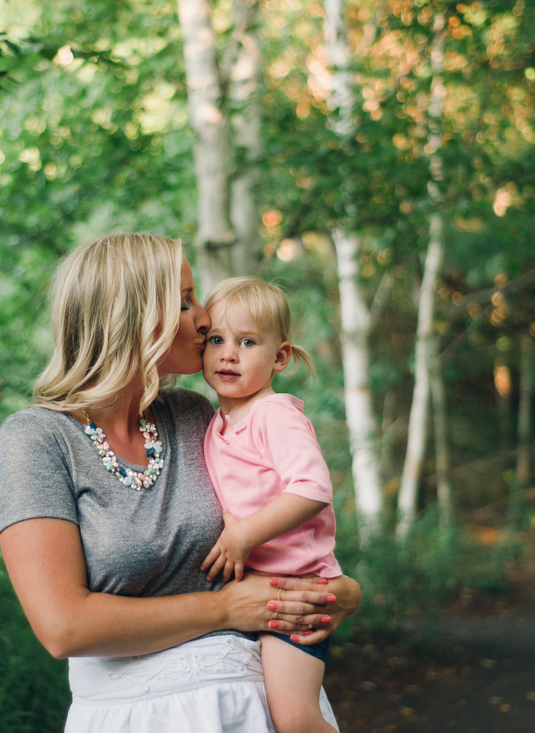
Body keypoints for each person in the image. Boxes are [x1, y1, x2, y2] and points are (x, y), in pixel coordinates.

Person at [0, 233, 360, 732]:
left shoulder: (193, 415)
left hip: (258, 707)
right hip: (141, 716)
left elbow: (279, 531)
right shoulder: (36, 440)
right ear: (134, 319)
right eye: (185, 302)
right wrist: (226, 608)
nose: (206, 318)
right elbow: (63, 627)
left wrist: (343, 592)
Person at [198, 277, 341, 733]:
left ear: (280, 357)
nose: (228, 354)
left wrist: (243, 533)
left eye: (247, 342)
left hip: (295, 591)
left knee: (295, 719)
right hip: (258, 593)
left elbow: (312, 487)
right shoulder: (217, 421)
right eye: (216, 339)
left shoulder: (274, 414)